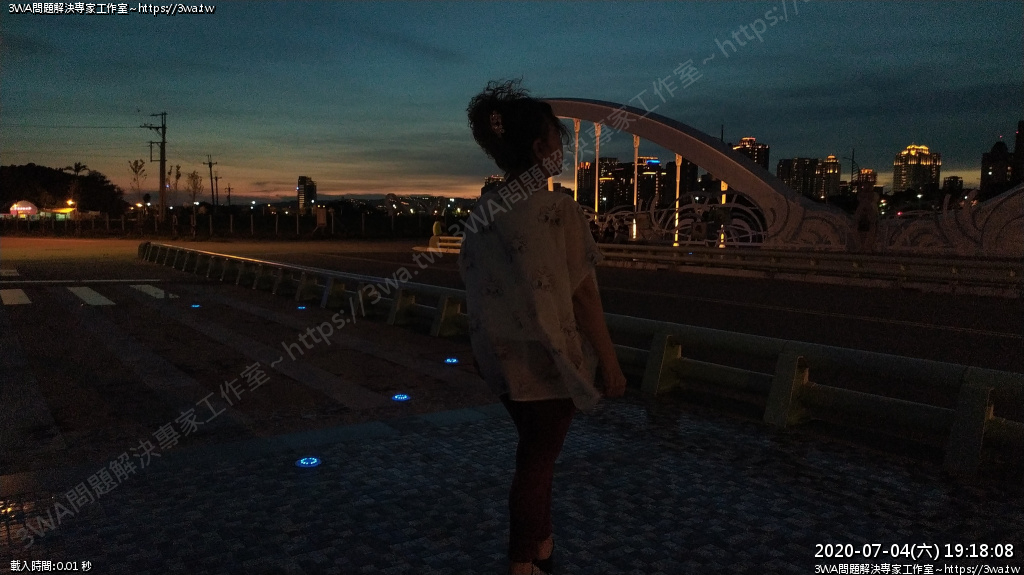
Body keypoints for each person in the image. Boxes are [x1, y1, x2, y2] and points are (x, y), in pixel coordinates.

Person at [459, 79, 627, 575]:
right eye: (557, 140)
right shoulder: (558, 210)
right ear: (538, 148)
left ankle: (544, 543)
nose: (562, 149)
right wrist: (610, 364)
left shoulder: (483, 211)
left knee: (536, 452)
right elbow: (584, 295)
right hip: (548, 360)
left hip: (499, 358)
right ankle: (522, 562)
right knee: (536, 461)